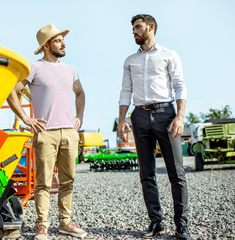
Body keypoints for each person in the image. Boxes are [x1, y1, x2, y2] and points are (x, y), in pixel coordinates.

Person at [7, 24, 86, 240]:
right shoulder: (35, 68)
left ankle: (65, 222)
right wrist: (25, 118)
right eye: (59, 40)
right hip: (45, 133)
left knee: (68, 181)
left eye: (62, 39)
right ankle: (42, 225)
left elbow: (80, 93)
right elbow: (12, 92)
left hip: (69, 132)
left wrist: (79, 117)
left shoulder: (71, 70)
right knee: (43, 182)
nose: (63, 43)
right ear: (46, 45)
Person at [118, 14, 191, 240]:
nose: (134, 32)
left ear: (150, 27)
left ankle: (182, 226)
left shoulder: (169, 55)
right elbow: (125, 91)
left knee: (176, 173)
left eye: (137, 27)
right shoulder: (130, 60)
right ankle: (156, 222)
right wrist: (122, 119)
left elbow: (179, 85)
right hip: (139, 116)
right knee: (146, 173)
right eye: (132, 28)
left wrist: (179, 117)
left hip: (165, 115)